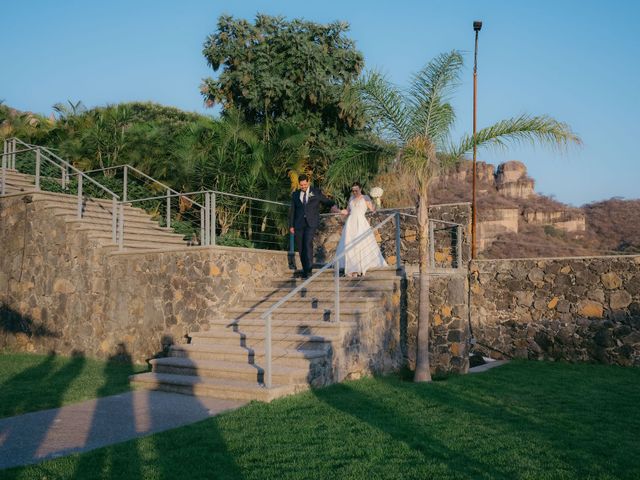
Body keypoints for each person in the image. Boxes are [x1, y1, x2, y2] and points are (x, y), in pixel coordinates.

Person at [288, 174, 339, 278]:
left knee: (307, 243)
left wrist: (333, 205)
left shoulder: (315, 192)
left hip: (311, 223)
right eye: (301, 185)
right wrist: (291, 225)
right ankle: (305, 269)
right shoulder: (295, 195)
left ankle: (309, 269)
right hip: (298, 224)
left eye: (305, 184)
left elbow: (325, 200)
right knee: (301, 248)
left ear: (308, 182)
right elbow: (292, 210)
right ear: (299, 184)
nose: (303, 186)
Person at [335, 182, 387, 277]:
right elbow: (347, 211)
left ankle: (361, 266)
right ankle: (351, 268)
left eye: (356, 190)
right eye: (353, 190)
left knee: (360, 242)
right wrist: (338, 211)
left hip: (361, 222)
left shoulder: (365, 197)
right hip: (351, 223)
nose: (354, 192)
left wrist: (377, 200)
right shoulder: (351, 198)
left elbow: (373, 209)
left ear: (360, 189)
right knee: (350, 243)